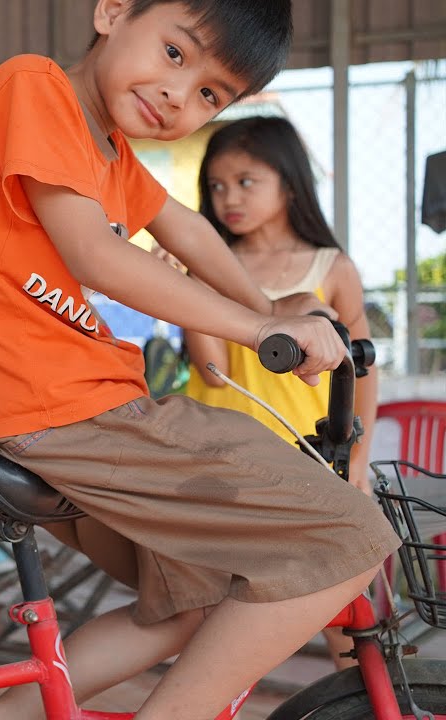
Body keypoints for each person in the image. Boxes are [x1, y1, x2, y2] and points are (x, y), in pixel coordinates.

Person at [0, 1, 401, 719]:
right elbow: (96, 254)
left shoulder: (112, 155)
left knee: (189, 597)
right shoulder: (35, 86)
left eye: (211, 94)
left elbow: (182, 228)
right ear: (112, 11)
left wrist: (274, 310)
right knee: (357, 535)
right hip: (71, 409)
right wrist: (255, 326)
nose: (179, 94)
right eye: (176, 54)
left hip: (64, 411)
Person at [183, 116, 380, 671]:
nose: (229, 199)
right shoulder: (209, 262)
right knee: (220, 601)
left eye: (247, 181)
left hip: (311, 453)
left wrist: (358, 460)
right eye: (217, 186)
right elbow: (212, 368)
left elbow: (364, 368)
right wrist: (192, 284)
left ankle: (364, 696)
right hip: (223, 455)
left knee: (339, 594)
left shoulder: (331, 268)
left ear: (289, 184)